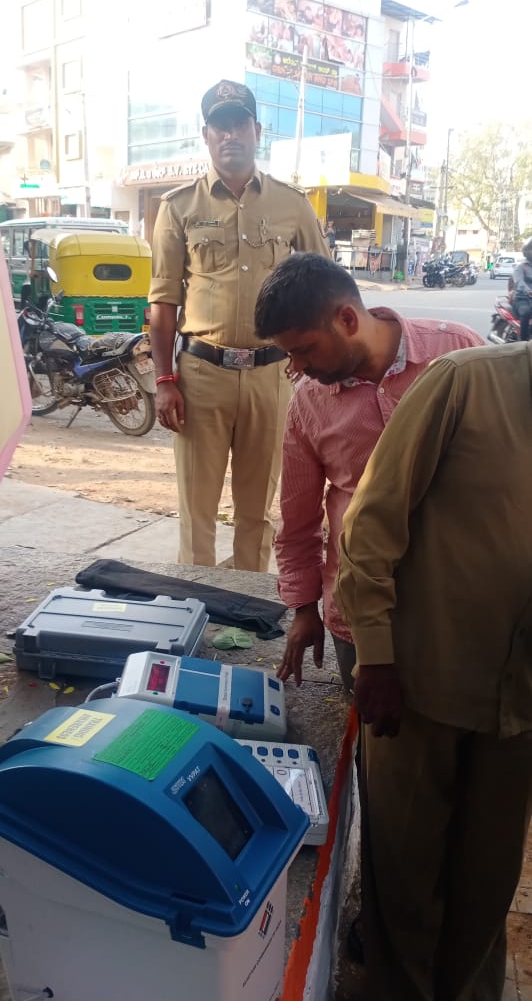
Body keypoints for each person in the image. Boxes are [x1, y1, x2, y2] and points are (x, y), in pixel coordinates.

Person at [335, 344, 532, 1001]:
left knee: (488, 876)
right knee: (406, 874)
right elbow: (372, 524)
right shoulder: (466, 384)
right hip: (419, 681)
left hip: (519, 702)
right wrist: (376, 657)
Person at [253, 252, 484, 691]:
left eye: (303, 350)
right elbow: (297, 519)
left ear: (347, 319)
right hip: (356, 618)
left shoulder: (459, 353)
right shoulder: (309, 400)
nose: (296, 368)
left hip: (462, 606)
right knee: (371, 746)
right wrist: (304, 608)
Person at [149, 80, 330, 572]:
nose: (231, 134)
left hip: (272, 378)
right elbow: (163, 302)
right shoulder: (179, 206)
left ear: (257, 130)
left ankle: (246, 607)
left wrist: (312, 360)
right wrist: (164, 381)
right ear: (206, 135)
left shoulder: (292, 205)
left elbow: (323, 288)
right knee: (197, 510)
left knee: (257, 510)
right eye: (220, 125)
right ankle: (196, 602)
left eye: (240, 123)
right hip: (199, 376)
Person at [510, 238, 532, 340]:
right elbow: (519, 282)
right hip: (521, 299)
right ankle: (524, 343)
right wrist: (529, 291)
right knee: (527, 312)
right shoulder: (521, 267)